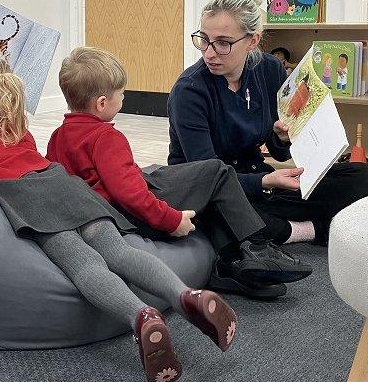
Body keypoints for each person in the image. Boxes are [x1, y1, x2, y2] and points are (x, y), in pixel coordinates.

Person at [0, 56, 237, 382]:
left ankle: (141, 317)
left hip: (33, 205)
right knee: (119, 252)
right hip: (66, 185)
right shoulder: (21, 134)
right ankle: (184, 295)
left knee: (84, 266)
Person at [47, 47, 312, 299]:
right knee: (217, 172)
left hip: (105, 210)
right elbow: (129, 193)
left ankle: (230, 263)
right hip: (126, 215)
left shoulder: (57, 136)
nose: (124, 97)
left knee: (202, 177)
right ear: (102, 103)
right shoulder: (107, 138)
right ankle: (257, 247)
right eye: (122, 93)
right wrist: (171, 220)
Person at [168, 0, 368, 244]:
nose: (209, 53)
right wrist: (266, 180)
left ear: (253, 41)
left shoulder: (269, 69)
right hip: (208, 189)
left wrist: (282, 136)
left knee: (361, 176)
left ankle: (274, 228)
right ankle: (312, 230)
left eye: (223, 43)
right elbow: (206, 175)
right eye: (204, 39)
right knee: (219, 216)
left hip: (258, 181)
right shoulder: (189, 90)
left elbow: (279, 153)